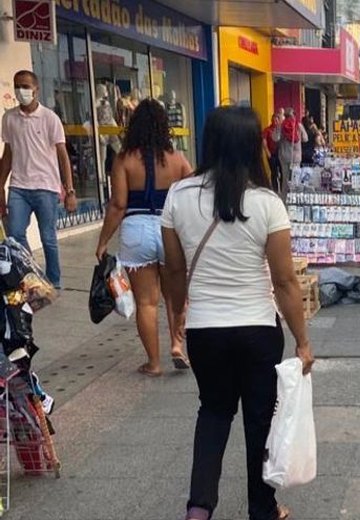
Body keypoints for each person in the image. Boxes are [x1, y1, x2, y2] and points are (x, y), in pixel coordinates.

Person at [161, 106, 314, 520]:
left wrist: (178, 320)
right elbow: (284, 281)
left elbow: (173, 271)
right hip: (258, 330)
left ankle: (198, 508)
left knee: (213, 412)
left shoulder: (178, 196)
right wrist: (302, 340)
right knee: (258, 423)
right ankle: (263, 509)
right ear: (253, 146)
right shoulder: (266, 202)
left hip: (205, 330)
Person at [94, 99, 193, 376]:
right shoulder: (177, 159)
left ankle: (154, 363)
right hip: (169, 228)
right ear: (165, 126)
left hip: (136, 229)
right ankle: (177, 345)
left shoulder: (124, 160)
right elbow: (192, 195)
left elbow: (118, 205)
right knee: (176, 297)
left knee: (147, 303)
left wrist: (102, 241)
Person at [0, 70, 76, 288]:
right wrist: (0, 187)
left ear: (36, 89)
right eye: (17, 86)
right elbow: (7, 155)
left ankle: (53, 281)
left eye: (25, 86)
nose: (20, 91)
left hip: (46, 188)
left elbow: (63, 156)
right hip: (19, 187)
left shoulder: (50, 118)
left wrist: (69, 190)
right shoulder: (9, 118)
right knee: (15, 235)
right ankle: (31, 275)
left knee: (48, 239)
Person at [278, 107, 298, 192]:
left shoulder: (281, 126)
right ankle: (293, 195)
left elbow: (276, 138)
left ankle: (285, 197)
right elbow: (305, 138)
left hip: (283, 154)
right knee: (295, 177)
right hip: (294, 156)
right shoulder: (298, 125)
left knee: (285, 176)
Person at [262, 112, 283, 192]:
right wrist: (268, 153)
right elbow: (264, 141)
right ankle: (275, 189)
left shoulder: (281, 130)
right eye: (274, 120)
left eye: (277, 121)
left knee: (282, 171)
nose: (275, 122)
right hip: (271, 154)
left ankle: (282, 188)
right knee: (274, 172)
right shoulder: (267, 130)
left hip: (280, 154)